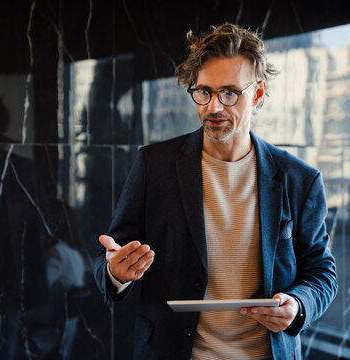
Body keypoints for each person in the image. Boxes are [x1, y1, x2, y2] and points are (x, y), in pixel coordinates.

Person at [94, 23, 337, 360]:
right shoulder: (155, 166)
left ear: (259, 93)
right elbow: (110, 261)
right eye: (204, 91)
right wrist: (116, 272)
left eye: (229, 93)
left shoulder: (299, 179)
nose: (214, 107)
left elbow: (322, 272)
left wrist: (298, 305)